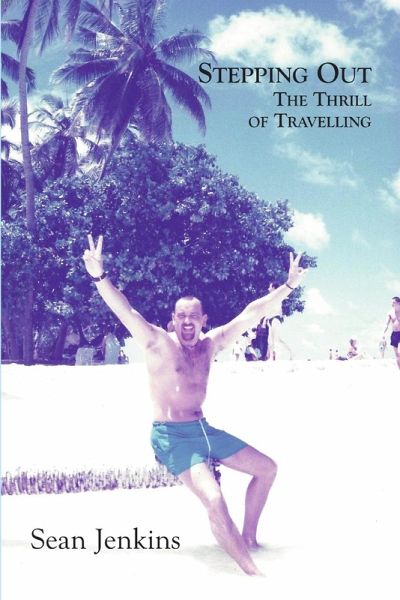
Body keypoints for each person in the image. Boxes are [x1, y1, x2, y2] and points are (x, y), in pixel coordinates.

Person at [82, 234, 307, 575]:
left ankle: (248, 537)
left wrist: (288, 287)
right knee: (214, 499)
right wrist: (99, 276)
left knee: (267, 469)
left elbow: (253, 312)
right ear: (173, 320)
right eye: (181, 317)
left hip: (204, 430)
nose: (187, 322)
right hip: (171, 436)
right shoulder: (157, 342)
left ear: (203, 320)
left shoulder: (211, 344)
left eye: (194, 317)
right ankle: (253, 575)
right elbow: (124, 309)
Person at [266, 282, 293, 360]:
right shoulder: (270, 297)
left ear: (274, 288)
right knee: (270, 340)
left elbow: (284, 294)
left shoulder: (278, 295)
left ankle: (291, 352)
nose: (268, 288)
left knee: (276, 340)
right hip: (270, 320)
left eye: (270, 287)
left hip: (276, 318)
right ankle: (271, 358)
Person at [382, 297, 400, 369]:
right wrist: (383, 333)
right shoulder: (390, 313)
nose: (392, 304)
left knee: (399, 351)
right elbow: (386, 324)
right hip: (394, 334)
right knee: (397, 355)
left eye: (393, 302)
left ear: (398, 303)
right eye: (391, 303)